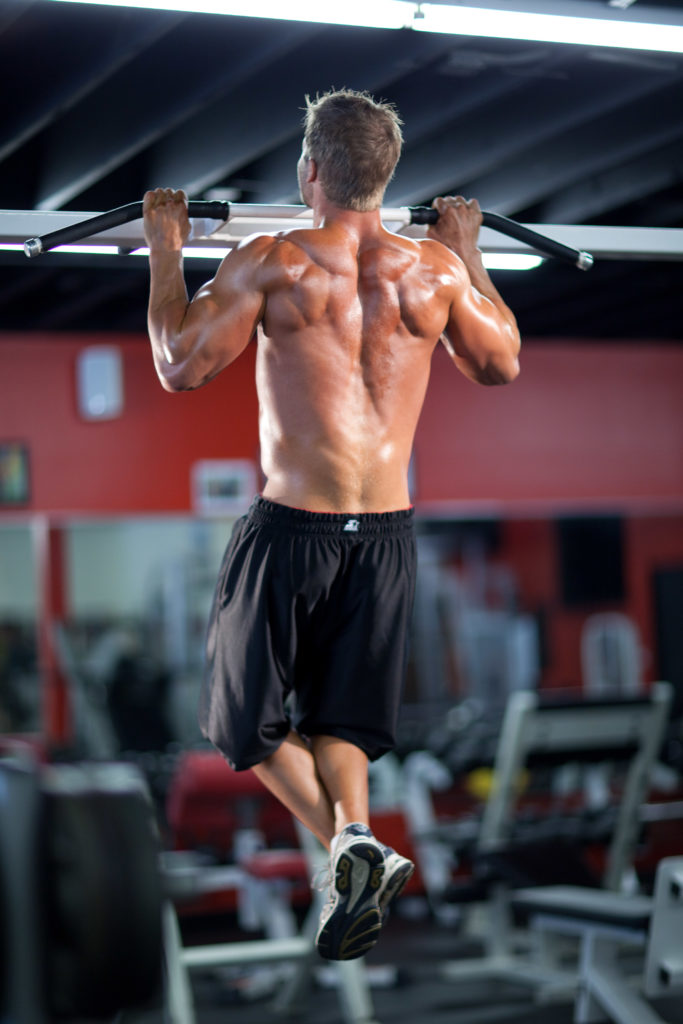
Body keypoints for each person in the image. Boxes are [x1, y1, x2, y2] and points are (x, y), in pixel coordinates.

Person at [143, 88, 521, 962]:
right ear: (387, 177)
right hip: (386, 532)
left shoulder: (272, 257)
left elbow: (177, 364)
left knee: (244, 726)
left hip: (292, 527)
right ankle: (352, 834)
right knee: (344, 720)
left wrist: (165, 253)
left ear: (308, 171)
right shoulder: (433, 269)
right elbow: (499, 363)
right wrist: (469, 252)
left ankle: (350, 847)